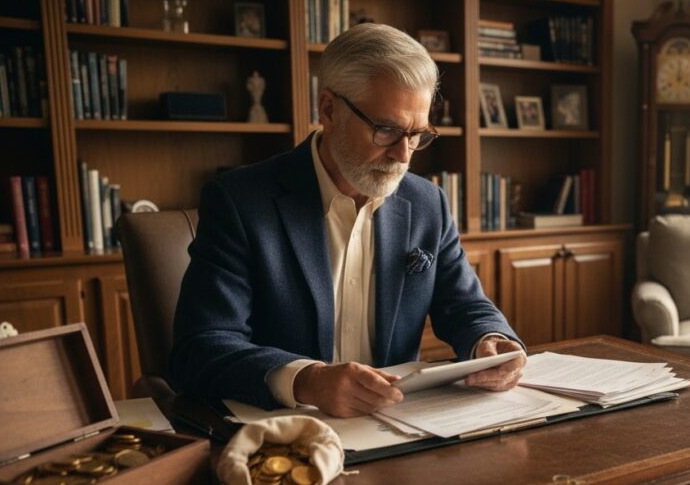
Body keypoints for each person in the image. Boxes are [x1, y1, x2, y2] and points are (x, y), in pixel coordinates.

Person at [170, 24, 525, 418]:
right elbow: (200, 347)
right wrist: (305, 380)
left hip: (399, 429)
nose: (404, 156)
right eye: (387, 130)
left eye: (417, 134)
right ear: (328, 110)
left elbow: (465, 305)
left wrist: (491, 339)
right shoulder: (239, 201)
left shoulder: (428, 203)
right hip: (286, 428)